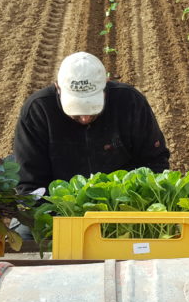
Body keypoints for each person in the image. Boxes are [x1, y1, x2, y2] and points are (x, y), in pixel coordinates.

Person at [11, 52, 171, 236]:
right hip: (60, 212)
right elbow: (30, 185)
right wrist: (68, 222)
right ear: (58, 88)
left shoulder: (130, 103)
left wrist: (129, 208)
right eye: (76, 111)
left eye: (92, 109)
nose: (85, 118)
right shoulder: (38, 111)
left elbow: (155, 162)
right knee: (24, 235)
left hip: (125, 209)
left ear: (106, 86)